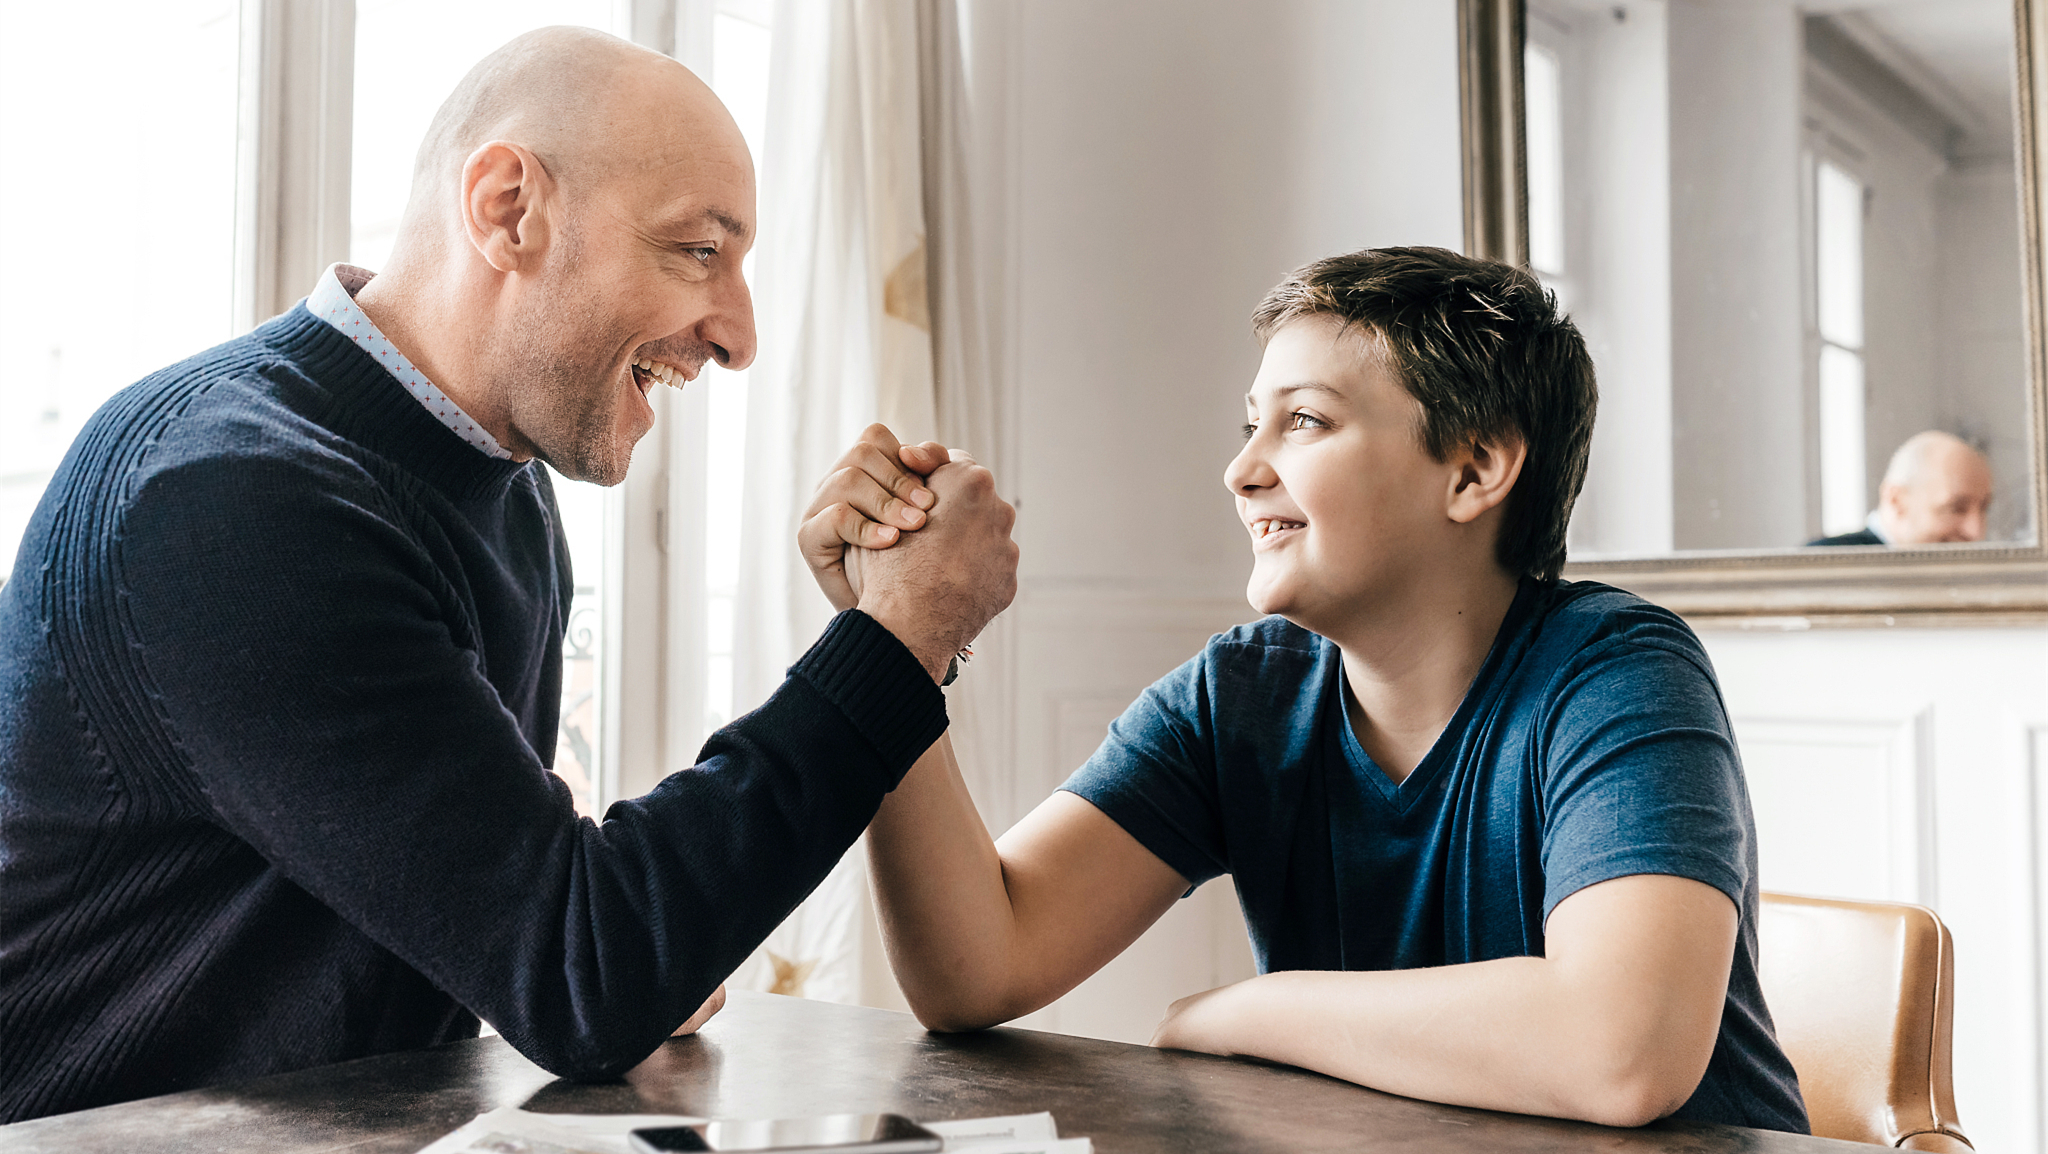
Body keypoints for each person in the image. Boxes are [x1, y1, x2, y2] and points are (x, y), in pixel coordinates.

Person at [0, 28, 1015, 1122]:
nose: (737, 334)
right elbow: (583, 974)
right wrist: (895, 637)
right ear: (507, 208)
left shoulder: (501, 490)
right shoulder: (230, 499)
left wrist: (610, 942)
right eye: (696, 251)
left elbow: (514, 918)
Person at [817, 248, 1809, 1131]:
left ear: (1473, 468)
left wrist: (1251, 1007)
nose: (1240, 470)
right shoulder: (1239, 697)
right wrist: (894, 640)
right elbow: (971, 967)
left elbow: (1619, 1050)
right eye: (1252, 425)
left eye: (1302, 421)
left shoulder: (1617, 670)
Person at [1808, 430, 1993, 546]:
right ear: (1897, 501)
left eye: (1984, 508)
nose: (1975, 532)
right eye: (1956, 508)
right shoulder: (1818, 566)